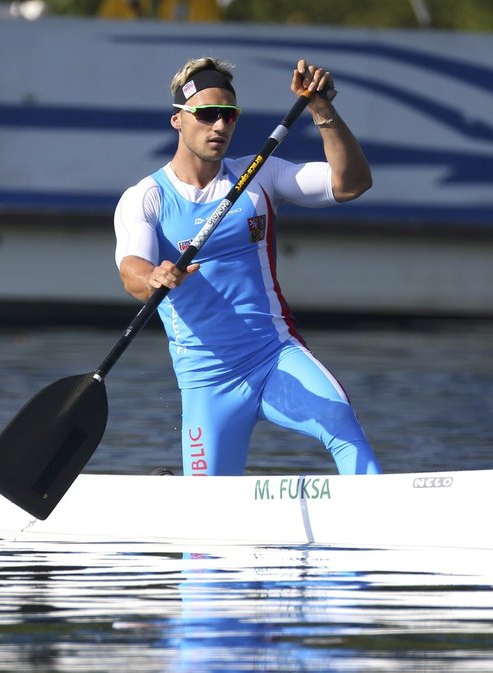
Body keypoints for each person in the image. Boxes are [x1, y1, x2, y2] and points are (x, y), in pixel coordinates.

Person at [113, 56, 381, 477]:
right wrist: (153, 276)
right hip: (206, 384)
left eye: (228, 116)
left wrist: (322, 110)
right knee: (205, 534)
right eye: (207, 115)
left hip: (275, 358)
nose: (219, 126)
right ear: (178, 122)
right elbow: (131, 270)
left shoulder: (259, 176)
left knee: (343, 427)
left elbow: (351, 184)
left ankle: (376, 517)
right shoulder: (146, 197)